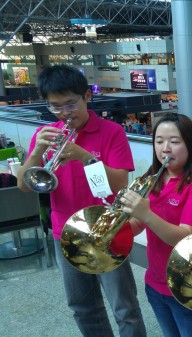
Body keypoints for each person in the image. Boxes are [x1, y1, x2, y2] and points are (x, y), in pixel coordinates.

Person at [16, 65, 146, 337]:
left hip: (108, 231)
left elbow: (121, 184)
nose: (64, 113)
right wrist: (38, 150)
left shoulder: (112, 132)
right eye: (55, 107)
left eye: (70, 104)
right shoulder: (47, 134)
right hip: (65, 233)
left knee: (124, 307)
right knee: (81, 306)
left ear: (87, 96)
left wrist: (84, 156)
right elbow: (24, 186)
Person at [119, 113, 192, 337]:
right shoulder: (152, 178)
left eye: (174, 142)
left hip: (190, 286)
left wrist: (146, 214)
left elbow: (189, 238)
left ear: (191, 145)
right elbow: (137, 224)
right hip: (155, 282)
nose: (165, 148)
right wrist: (116, 226)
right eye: (159, 141)